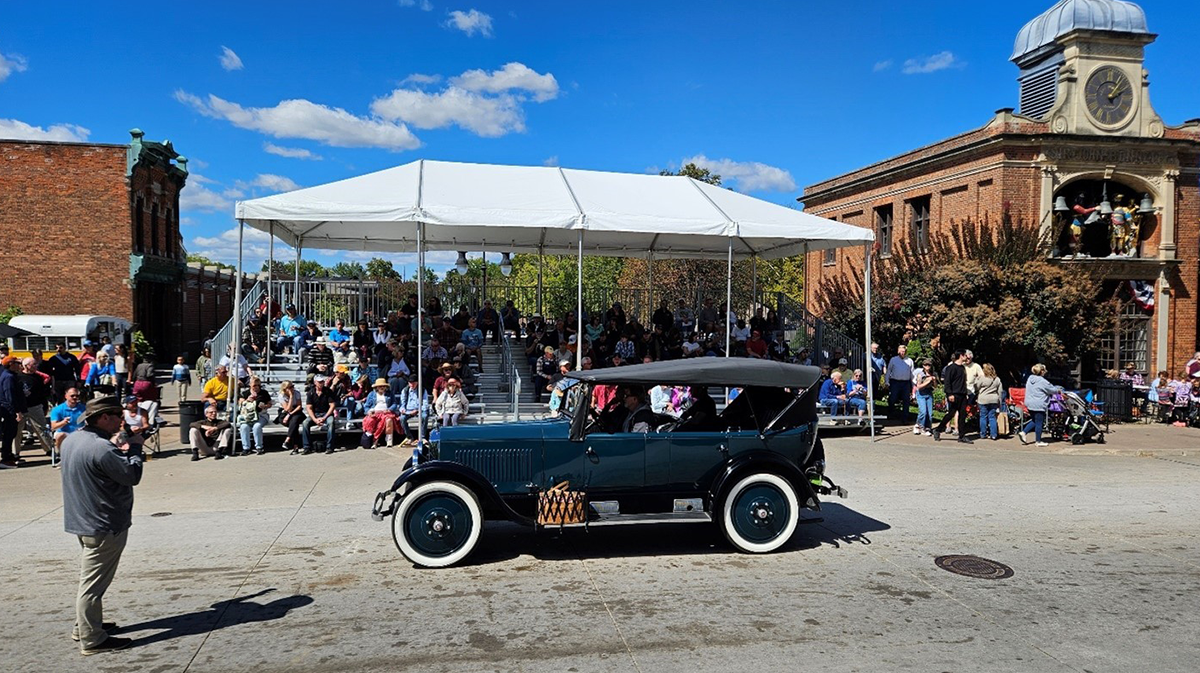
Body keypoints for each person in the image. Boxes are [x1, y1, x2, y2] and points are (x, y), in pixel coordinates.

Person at [60, 395, 142, 655]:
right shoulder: (100, 447)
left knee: (92, 581)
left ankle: (86, 625)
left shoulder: (73, 439)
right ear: (104, 417)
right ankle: (92, 638)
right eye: (117, 415)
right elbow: (131, 475)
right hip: (103, 525)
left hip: (82, 521)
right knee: (92, 586)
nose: (121, 420)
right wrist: (136, 449)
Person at [933, 350, 972, 444]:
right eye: (965, 355)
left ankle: (962, 436)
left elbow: (962, 382)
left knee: (962, 415)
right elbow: (947, 382)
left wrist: (965, 393)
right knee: (951, 414)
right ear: (961, 356)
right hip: (954, 395)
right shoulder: (951, 368)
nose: (967, 357)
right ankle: (938, 430)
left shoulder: (962, 367)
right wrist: (949, 394)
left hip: (962, 394)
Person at [1019, 363, 1060, 447]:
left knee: (1034, 420)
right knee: (1039, 422)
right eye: (1044, 370)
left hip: (1029, 403)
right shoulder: (1043, 381)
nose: (1045, 372)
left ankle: (1024, 432)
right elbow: (1052, 389)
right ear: (1041, 371)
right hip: (1038, 404)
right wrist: (1058, 390)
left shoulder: (1030, 378)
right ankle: (1038, 441)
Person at [19, 356, 53, 456]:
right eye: (33, 364)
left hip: (35, 406)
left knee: (42, 428)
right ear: (26, 366)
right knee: (17, 431)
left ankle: (49, 449)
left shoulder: (38, 378)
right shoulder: (18, 377)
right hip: (21, 407)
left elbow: (42, 393)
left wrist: (44, 406)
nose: (35, 366)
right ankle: (15, 453)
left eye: (36, 364)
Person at [0, 356, 27, 468]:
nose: (18, 365)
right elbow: (9, 395)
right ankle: (5, 459)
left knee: (12, 433)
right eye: (16, 363)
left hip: (10, 410)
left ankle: (9, 455)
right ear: (11, 364)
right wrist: (17, 411)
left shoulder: (11, 376)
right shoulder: (8, 377)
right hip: (9, 411)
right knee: (8, 434)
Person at [302, 375, 338, 455]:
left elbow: (332, 405)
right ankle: (306, 447)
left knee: (331, 423)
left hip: (327, 413)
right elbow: (309, 408)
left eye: (322, 381)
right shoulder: (310, 393)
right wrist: (314, 419)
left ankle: (330, 447)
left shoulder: (328, 391)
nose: (321, 383)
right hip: (315, 414)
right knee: (305, 423)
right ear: (315, 383)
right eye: (319, 382)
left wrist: (324, 417)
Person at [237, 377, 272, 455]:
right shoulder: (245, 393)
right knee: (244, 427)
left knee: (257, 426)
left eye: (258, 385)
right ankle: (246, 448)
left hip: (261, 415)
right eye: (254, 385)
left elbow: (270, 404)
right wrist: (247, 400)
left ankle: (259, 447)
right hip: (248, 416)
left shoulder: (264, 393)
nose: (256, 387)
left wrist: (265, 406)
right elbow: (240, 404)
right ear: (250, 385)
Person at [49, 387, 86, 460]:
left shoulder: (83, 408)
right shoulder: (58, 409)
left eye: (77, 396)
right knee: (60, 435)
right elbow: (53, 426)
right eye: (72, 396)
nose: (75, 397)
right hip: (64, 432)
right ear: (66, 396)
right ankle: (62, 456)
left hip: (80, 432)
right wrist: (63, 422)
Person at [362, 379, 400, 448]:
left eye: (383, 386)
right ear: (376, 387)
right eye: (379, 386)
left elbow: (394, 404)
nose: (381, 387)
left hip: (386, 413)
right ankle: (374, 441)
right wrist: (369, 412)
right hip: (375, 412)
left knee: (389, 420)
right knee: (371, 421)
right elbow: (366, 406)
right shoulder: (371, 394)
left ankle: (389, 440)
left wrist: (389, 409)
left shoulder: (390, 393)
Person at [397, 375, 428, 446]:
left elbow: (425, 404)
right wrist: (403, 410)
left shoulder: (422, 390)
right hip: (408, 410)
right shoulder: (405, 390)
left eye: (413, 383)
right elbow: (402, 403)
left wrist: (417, 410)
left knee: (424, 416)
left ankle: (422, 437)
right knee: (402, 418)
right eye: (410, 383)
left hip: (419, 410)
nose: (411, 385)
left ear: (417, 383)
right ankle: (409, 437)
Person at [886, 345, 914, 423]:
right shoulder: (893, 360)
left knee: (906, 400)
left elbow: (912, 373)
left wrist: (913, 385)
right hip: (895, 382)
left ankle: (905, 418)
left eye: (904, 351)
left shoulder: (910, 361)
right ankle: (891, 414)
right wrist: (887, 381)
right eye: (901, 351)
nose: (902, 353)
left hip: (906, 383)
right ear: (898, 351)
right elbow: (889, 371)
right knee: (893, 398)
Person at [975, 364, 1003, 441]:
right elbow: (1000, 391)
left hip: (983, 399)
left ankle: (983, 434)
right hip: (994, 399)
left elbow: (976, 387)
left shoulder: (982, 378)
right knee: (992, 417)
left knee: (983, 417)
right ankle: (993, 434)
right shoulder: (997, 379)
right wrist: (999, 402)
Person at [276, 380, 305, 454]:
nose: (293, 388)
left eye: (293, 386)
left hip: (296, 411)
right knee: (294, 424)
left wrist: (289, 415)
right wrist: (291, 397)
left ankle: (288, 440)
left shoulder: (297, 393)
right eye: (291, 387)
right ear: (285, 389)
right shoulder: (281, 396)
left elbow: (299, 406)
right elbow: (287, 409)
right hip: (284, 413)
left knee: (294, 421)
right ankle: (295, 446)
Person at [913, 360, 936, 436]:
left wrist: (934, 380)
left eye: (929, 365)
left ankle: (927, 427)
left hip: (929, 393)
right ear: (923, 366)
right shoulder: (920, 375)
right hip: (921, 394)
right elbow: (919, 387)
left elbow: (935, 386)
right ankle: (919, 425)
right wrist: (927, 381)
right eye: (926, 365)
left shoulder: (933, 374)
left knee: (929, 413)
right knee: (923, 412)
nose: (927, 367)